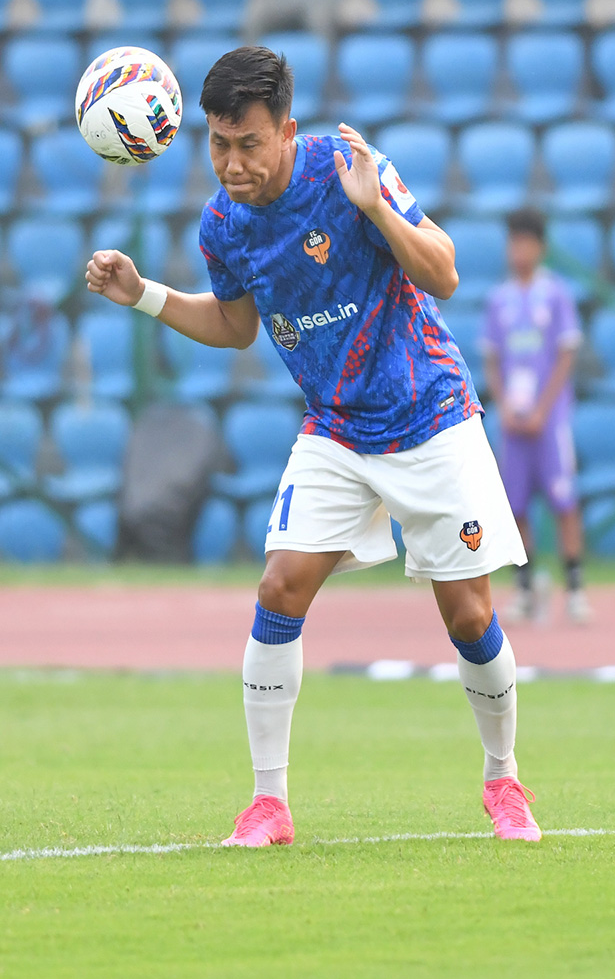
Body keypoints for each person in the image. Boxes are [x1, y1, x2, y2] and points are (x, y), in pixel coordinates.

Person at [85, 46, 539, 848]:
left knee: (468, 615)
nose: (231, 164)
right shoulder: (222, 223)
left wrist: (376, 210)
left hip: (428, 413)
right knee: (278, 589)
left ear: (287, 130)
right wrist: (143, 295)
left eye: (248, 144)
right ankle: (269, 804)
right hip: (333, 426)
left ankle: (503, 779)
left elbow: (446, 276)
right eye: (218, 145)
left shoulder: (349, 171)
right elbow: (233, 327)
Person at [481, 210, 588, 625]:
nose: (519, 251)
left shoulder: (556, 295)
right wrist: (505, 403)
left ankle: (575, 587)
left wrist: (545, 408)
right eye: (513, 243)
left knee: (564, 500)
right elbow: (492, 358)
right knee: (516, 504)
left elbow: (566, 353)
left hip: (550, 419)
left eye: (526, 242)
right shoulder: (499, 300)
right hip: (513, 420)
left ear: (540, 248)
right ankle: (525, 587)